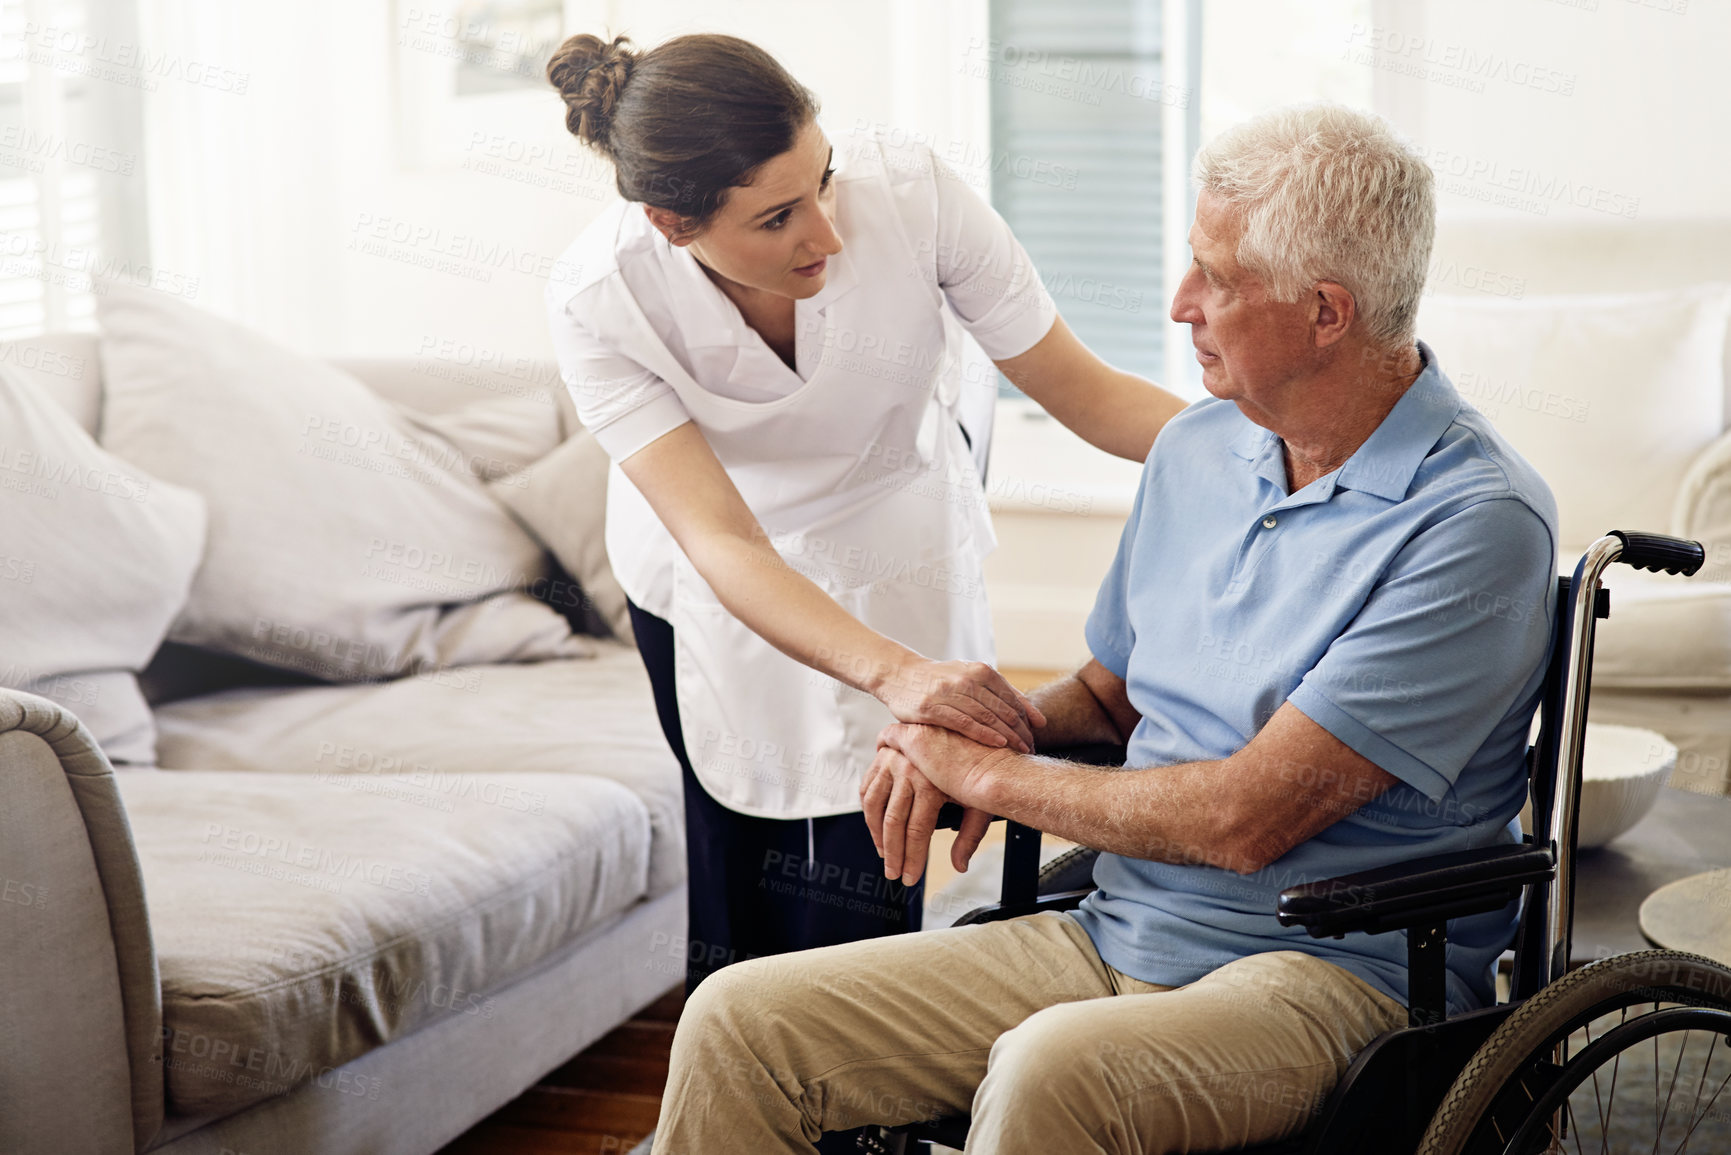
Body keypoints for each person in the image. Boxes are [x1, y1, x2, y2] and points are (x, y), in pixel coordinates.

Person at [652, 103, 1561, 1153]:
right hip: (1116, 927)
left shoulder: (1476, 522)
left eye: (1216, 279)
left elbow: (1243, 820)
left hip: (1331, 972)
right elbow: (1107, 699)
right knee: (740, 1022)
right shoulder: (1199, 452)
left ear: (1326, 313)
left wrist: (991, 781)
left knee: (1054, 1069)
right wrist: (977, 730)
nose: (1181, 306)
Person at [542, 29, 1189, 1003]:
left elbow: (1086, 393)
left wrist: (1294, 450)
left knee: (873, 867)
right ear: (676, 226)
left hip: (893, 542)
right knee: (743, 880)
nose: (829, 234)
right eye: (777, 218)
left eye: (827, 179)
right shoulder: (602, 299)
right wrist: (896, 674)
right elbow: (721, 538)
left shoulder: (914, 194)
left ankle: (865, 1097)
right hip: (715, 572)